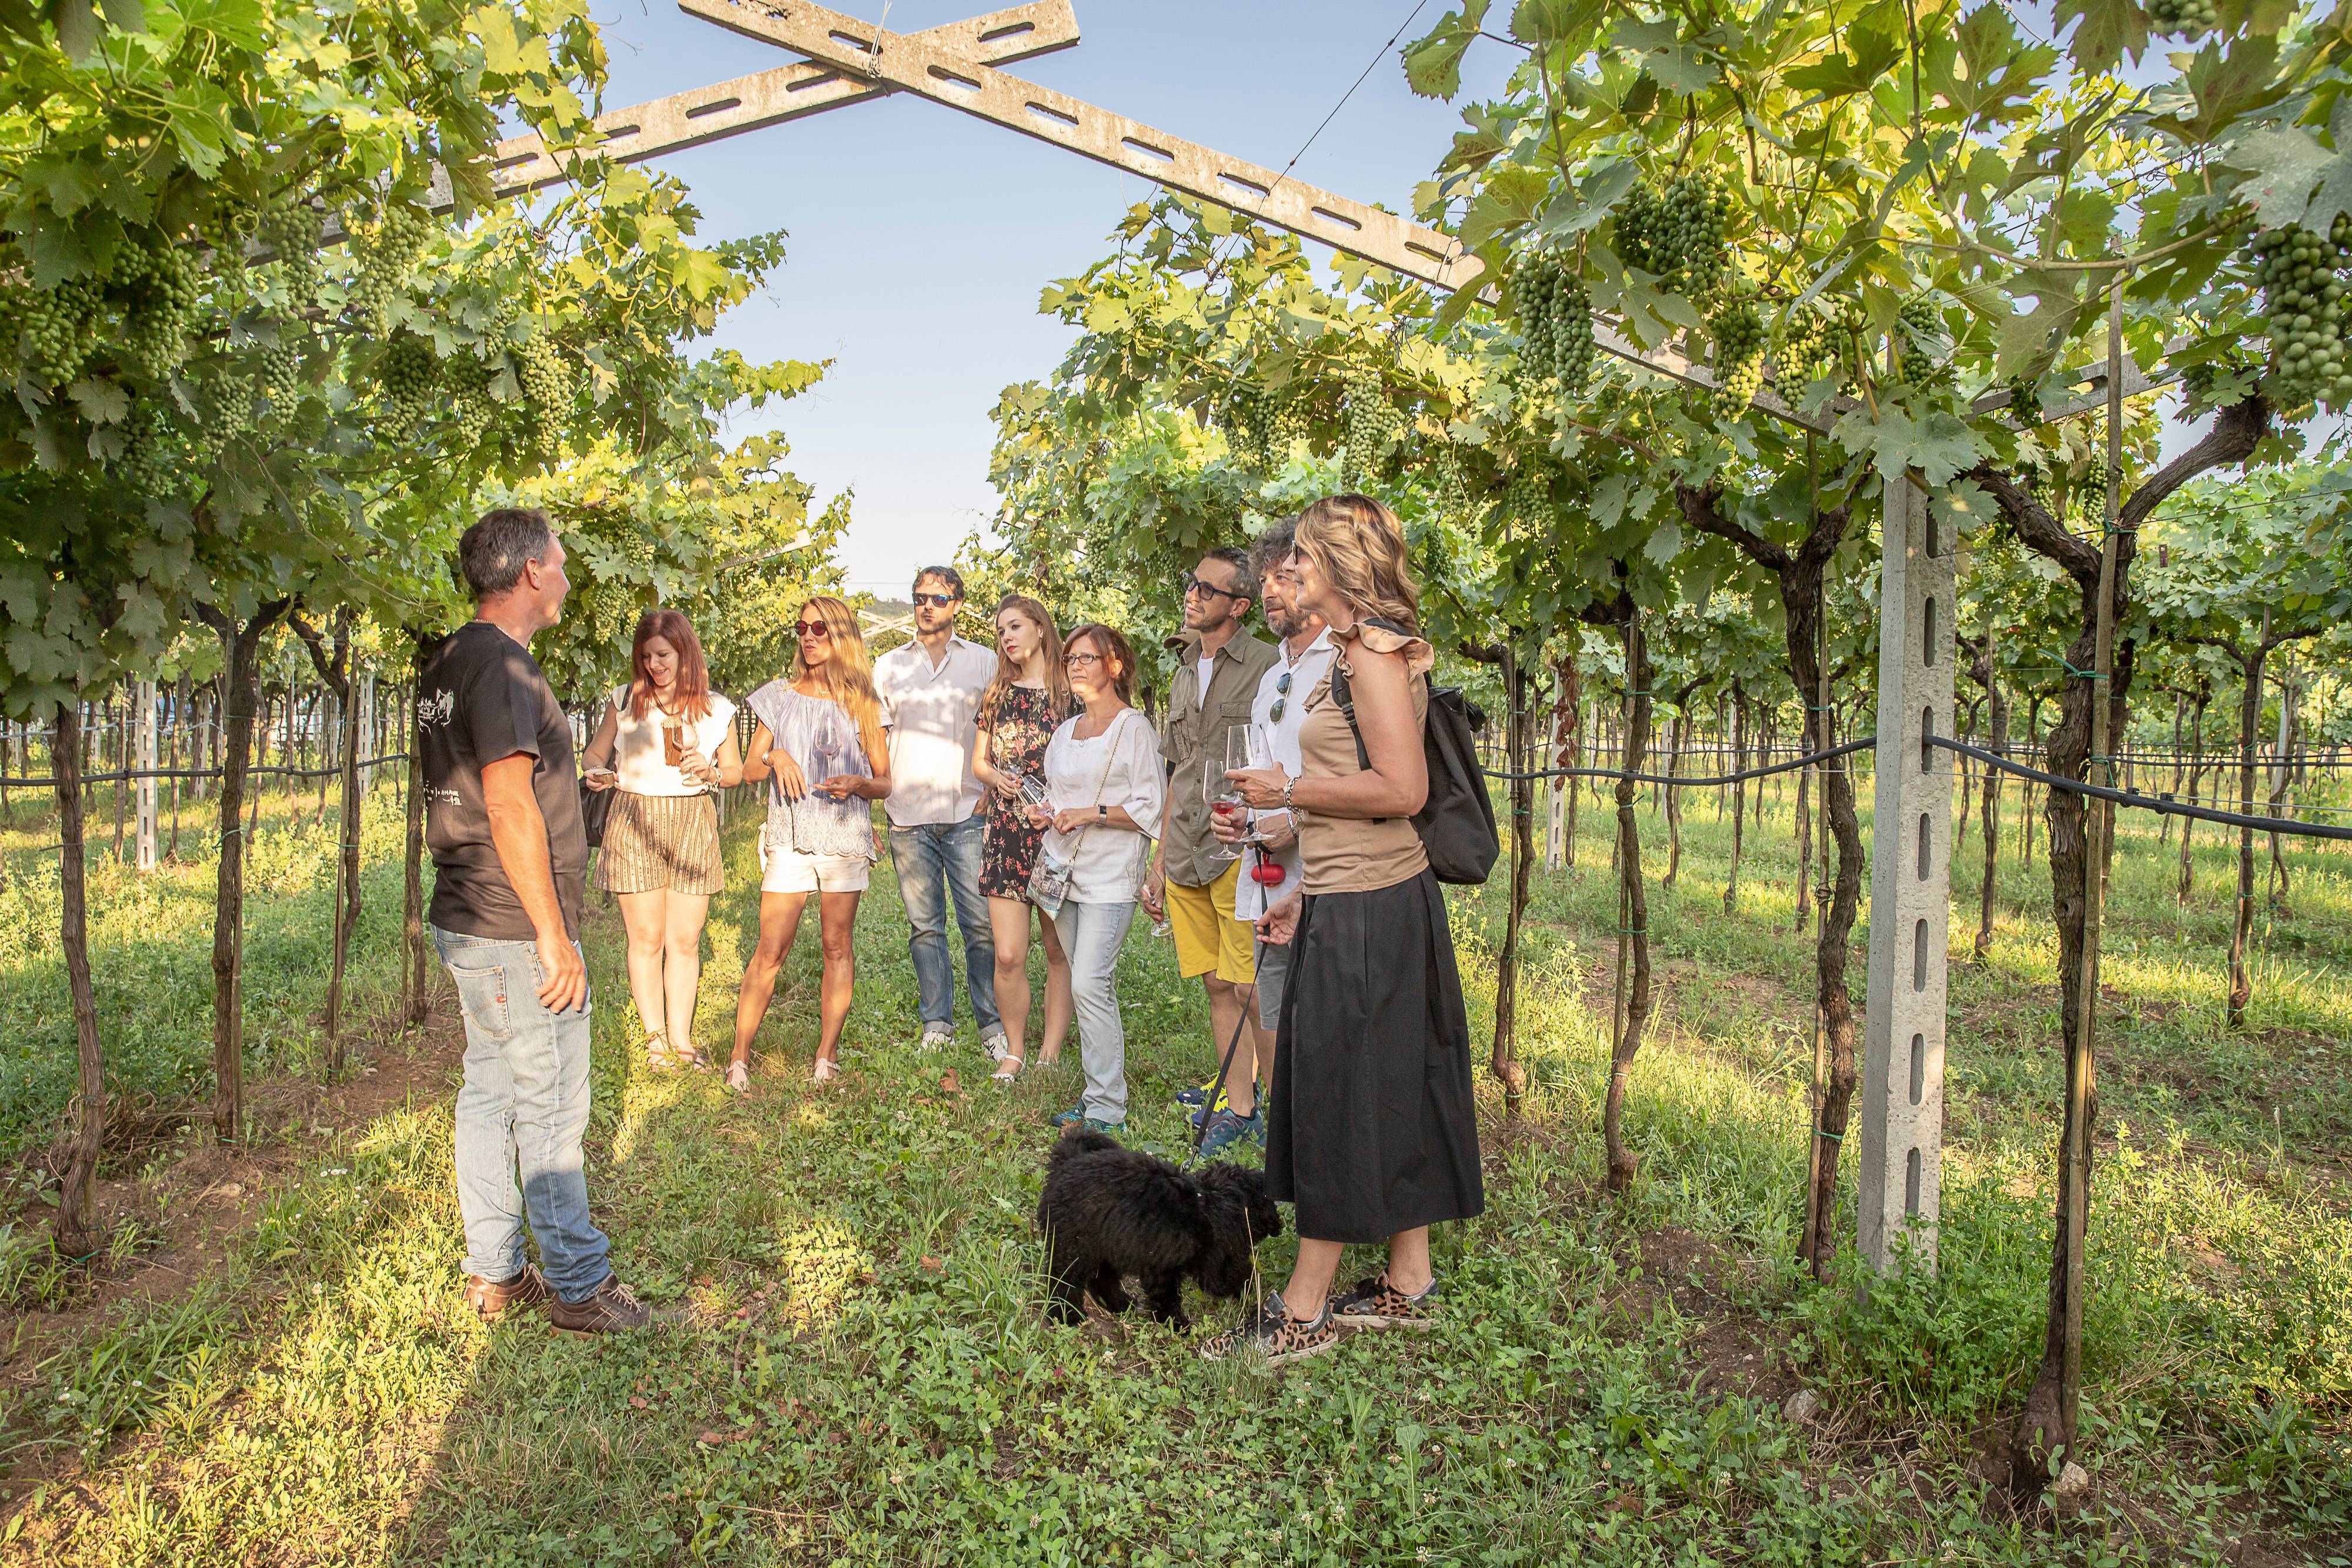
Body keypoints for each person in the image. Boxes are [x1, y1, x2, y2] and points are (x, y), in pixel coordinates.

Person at [1205, 494, 1485, 1366]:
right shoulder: (1350, 654)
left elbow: (1400, 790)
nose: (1289, 571)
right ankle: (1410, 1278)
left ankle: (1305, 1305)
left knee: (1330, 1091)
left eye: (1302, 559)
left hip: (1376, 903)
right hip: (1348, 896)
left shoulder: (1369, 651)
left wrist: (1287, 790)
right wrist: (1303, 886)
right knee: (1389, 1079)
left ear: (1336, 563)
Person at [418, 507, 647, 1333]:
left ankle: (495, 1271)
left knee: (488, 1090)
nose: (566, 576)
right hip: (515, 924)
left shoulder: (447, 660)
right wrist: (553, 933)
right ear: (526, 573)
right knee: (549, 1107)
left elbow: (515, 786)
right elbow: (509, 805)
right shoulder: (507, 668)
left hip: (463, 910)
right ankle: (580, 1284)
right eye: (559, 561)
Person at [1201, 517, 1334, 1157]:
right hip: (1269, 877)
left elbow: (1368, 784)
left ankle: (1321, 1136)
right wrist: (1245, 822)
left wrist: (1291, 817)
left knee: (1323, 1015)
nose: (1273, 590)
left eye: (1288, 576)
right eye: (1267, 578)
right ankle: (1287, 1137)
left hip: (1331, 879)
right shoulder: (1272, 674)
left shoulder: (1347, 662)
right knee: (1271, 1006)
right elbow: (1262, 774)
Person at [1140, 547, 1278, 1131]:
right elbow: (1179, 769)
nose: (1191, 595)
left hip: (1236, 848)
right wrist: (1157, 861)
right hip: (1186, 849)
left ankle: (1284, 1114)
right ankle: (1238, 1105)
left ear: (1239, 605)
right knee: (1218, 985)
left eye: (1205, 588)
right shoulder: (1182, 667)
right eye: (1190, 584)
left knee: (1251, 988)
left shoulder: (1269, 667)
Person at [732, 596, 893, 1089]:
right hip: (791, 838)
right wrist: (777, 755)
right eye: (801, 627)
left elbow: (885, 781)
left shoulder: (864, 702)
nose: (807, 635)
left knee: (835, 945)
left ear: (840, 635)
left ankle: (826, 1055)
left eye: (819, 628)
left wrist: (858, 785)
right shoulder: (779, 695)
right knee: (771, 947)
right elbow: (746, 769)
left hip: (844, 837)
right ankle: (739, 1056)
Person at [582, 609, 744, 1072]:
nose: (654, 664)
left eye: (664, 655)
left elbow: (733, 771)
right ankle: (656, 1042)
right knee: (646, 937)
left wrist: (711, 771)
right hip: (634, 816)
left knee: (685, 940)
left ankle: (681, 1037)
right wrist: (596, 770)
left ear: (685, 653)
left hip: (692, 818)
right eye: (647, 656)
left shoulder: (715, 707)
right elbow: (595, 751)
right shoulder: (625, 702)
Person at [1029, 624, 1165, 1134]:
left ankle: (1107, 1107)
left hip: (1111, 878)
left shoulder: (1134, 729)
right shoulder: (1065, 732)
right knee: (1081, 981)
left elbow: (1151, 806)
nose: (1077, 666)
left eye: (1088, 657)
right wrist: (1048, 812)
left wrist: (1091, 813)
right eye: (1070, 659)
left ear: (1115, 666)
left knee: (1090, 981)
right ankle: (1095, 1095)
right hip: (1063, 873)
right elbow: (1060, 796)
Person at [872, 567, 1005, 1058]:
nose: (927, 605)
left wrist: (991, 792)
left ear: (957, 604)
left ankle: (992, 1027)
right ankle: (938, 1023)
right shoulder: (887, 667)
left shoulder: (986, 663)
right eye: (919, 597)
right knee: (925, 927)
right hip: (908, 815)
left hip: (968, 811)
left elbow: (1002, 731)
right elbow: (877, 742)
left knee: (980, 926)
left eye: (938, 597)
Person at [968, 594, 1081, 1082]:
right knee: (1010, 953)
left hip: (1054, 834)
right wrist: (996, 779)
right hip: (1006, 834)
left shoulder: (1072, 694)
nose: (1007, 638)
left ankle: (1049, 1053)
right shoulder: (996, 694)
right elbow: (978, 762)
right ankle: (1015, 1049)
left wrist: (1055, 804)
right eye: (1001, 632)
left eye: (1015, 627)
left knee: (1059, 950)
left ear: (1040, 628)